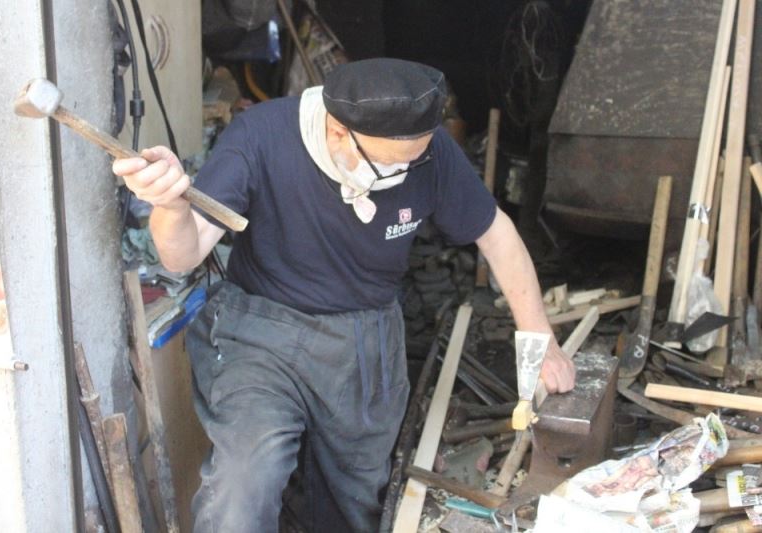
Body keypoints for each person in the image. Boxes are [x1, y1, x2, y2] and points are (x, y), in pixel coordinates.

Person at [113, 58, 575, 533]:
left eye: (413, 160)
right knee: (245, 484)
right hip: (262, 336)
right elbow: (183, 255)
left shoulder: (427, 151)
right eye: (389, 163)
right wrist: (170, 207)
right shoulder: (261, 136)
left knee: (354, 500)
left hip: (365, 338)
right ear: (338, 131)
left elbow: (496, 233)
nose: (403, 172)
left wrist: (539, 340)